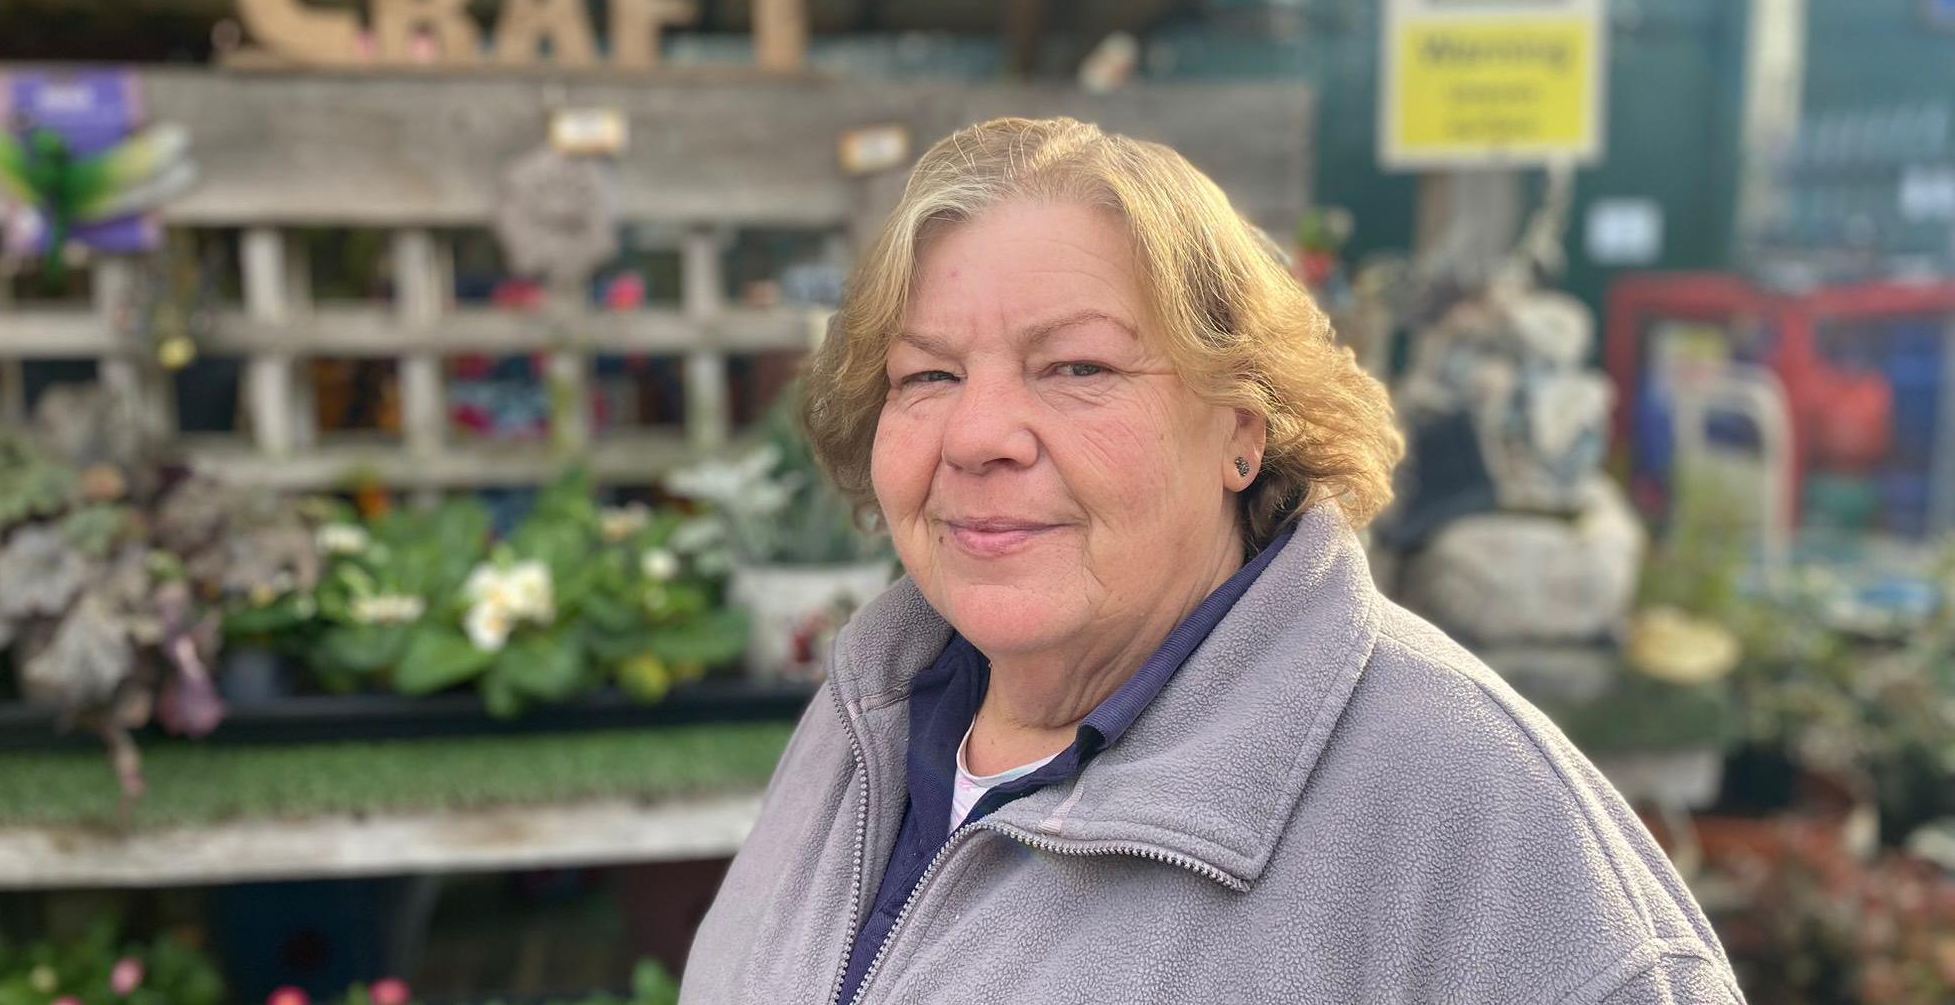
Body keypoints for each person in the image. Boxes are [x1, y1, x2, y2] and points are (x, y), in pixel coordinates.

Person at [681, 117, 1744, 1004]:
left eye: (1076, 366)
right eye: (925, 377)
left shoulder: (1469, 808)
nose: (975, 435)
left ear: (1244, 428)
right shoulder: (866, 720)